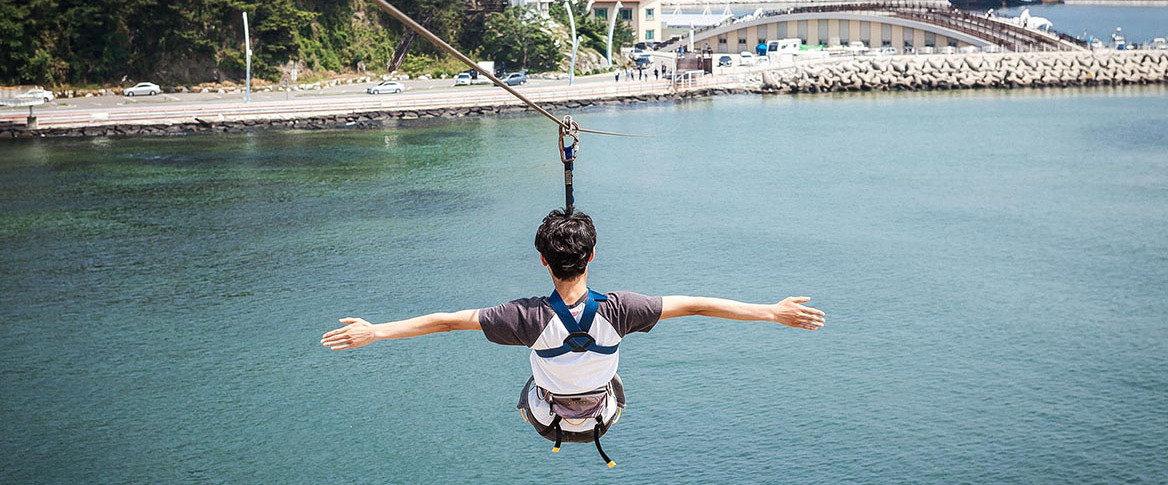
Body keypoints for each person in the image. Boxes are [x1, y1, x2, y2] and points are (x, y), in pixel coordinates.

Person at [321, 209, 825, 465]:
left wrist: (376, 332)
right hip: (606, 413)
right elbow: (697, 305)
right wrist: (772, 313)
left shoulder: (522, 318)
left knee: (534, 382)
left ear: (542, 260)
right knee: (609, 379)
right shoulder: (622, 309)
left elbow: (447, 320)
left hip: (547, 419)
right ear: (592, 257)